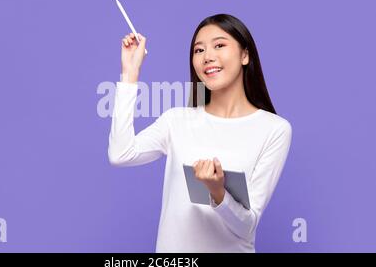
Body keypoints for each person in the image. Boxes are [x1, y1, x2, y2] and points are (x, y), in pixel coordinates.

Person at [108, 14, 292, 252]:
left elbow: (247, 226)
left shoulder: (274, 129)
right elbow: (120, 154)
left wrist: (218, 192)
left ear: (245, 55)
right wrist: (130, 75)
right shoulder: (177, 120)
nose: (208, 57)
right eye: (199, 50)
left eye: (219, 45)